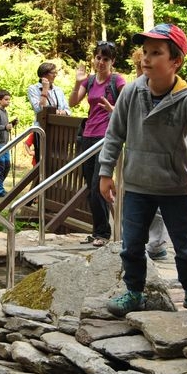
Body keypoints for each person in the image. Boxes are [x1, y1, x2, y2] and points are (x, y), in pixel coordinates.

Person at [98, 23, 187, 318]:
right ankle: (133, 292)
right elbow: (114, 134)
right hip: (137, 184)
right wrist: (105, 172)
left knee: (186, 245)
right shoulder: (132, 92)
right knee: (132, 244)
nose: (146, 58)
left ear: (175, 61)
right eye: (145, 52)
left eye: (156, 53)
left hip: (175, 187)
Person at [69, 41, 126, 247]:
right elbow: (73, 102)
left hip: (106, 138)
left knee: (97, 186)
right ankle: (98, 230)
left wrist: (114, 108)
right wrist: (78, 83)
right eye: (98, 58)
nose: (101, 62)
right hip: (88, 136)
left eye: (105, 59)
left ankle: (103, 233)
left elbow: (129, 101)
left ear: (112, 61)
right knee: (90, 186)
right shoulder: (90, 81)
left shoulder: (117, 80)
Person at [132, 47, 171, 261]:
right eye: (140, 65)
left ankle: (156, 244)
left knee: (157, 207)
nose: (142, 69)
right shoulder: (134, 90)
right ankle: (145, 245)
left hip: (162, 161)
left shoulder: (170, 90)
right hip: (139, 160)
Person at [26, 62, 71, 164]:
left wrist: (61, 112)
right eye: (53, 73)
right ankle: (41, 179)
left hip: (59, 132)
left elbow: (68, 110)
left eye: (55, 72)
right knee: (42, 161)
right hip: (42, 130)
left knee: (57, 161)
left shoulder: (58, 90)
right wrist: (45, 89)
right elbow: (39, 109)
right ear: (44, 74)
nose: (55, 75)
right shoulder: (33, 89)